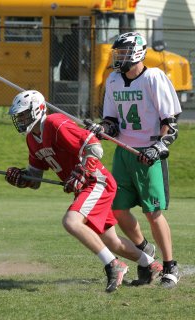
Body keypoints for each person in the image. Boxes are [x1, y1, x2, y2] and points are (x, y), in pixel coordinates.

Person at [5, 90, 163, 292]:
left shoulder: (55, 123)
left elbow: (95, 146)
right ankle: (150, 264)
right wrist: (22, 179)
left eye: (24, 114)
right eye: (18, 116)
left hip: (97, 181)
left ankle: (113, 265)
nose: (20, 119)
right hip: (86, 186)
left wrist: (83, 170)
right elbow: (35, 179)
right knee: (111, 240)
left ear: (38, 110)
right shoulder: (31, 139)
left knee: (71, 221)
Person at [84, 32, 180, 288]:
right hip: (123, 152)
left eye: (124, 52)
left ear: (137, 53)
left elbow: (170, 124)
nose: (119, 57)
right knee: (117, 209)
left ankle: (171, 266)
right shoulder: (114, 80)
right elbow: (112, 122)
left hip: (148, 153)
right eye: (118, 53)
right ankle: (145, 250)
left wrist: (158, 147)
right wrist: (101, 129)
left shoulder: (154, 77)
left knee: (153, 211)